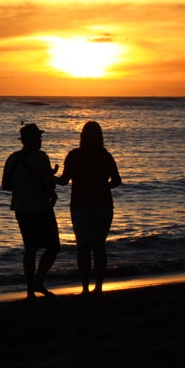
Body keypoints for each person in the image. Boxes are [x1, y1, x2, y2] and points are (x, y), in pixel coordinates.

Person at [56, 121, 122, 296]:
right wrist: (102, 187)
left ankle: (85, 287)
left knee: (83, 247)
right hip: (103, 205)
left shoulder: (74, 155)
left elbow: (63, 181)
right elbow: (117, 180)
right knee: (99, 246)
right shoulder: (105, 156)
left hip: (80, 205)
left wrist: (48, 176)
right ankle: (99, 286)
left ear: (82, 136)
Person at [2, 123, 60, 299]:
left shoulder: (12, 158)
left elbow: (6, 185)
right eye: (39, 137)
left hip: (21, 209)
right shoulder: (41, 157)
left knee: (30, 249)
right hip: (41, 208)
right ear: (34, 139)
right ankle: (38, 281)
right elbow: (48, 183)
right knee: (53, 246)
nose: (41, 140)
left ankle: (29, 290)